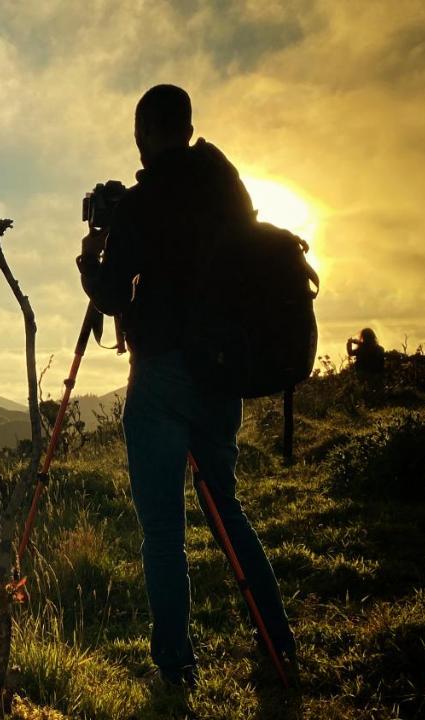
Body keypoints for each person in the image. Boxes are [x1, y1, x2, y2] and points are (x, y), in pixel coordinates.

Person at [76, 84, 297, 688]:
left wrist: (90, 258)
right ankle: (278, 641)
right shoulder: (226, 184)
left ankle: (174, 668)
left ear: (142, 136)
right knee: (227, 507)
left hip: (163, 375)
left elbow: (116, 293)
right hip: (222, 371)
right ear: (189, 125)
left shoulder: (141, 206)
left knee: (164, 532)